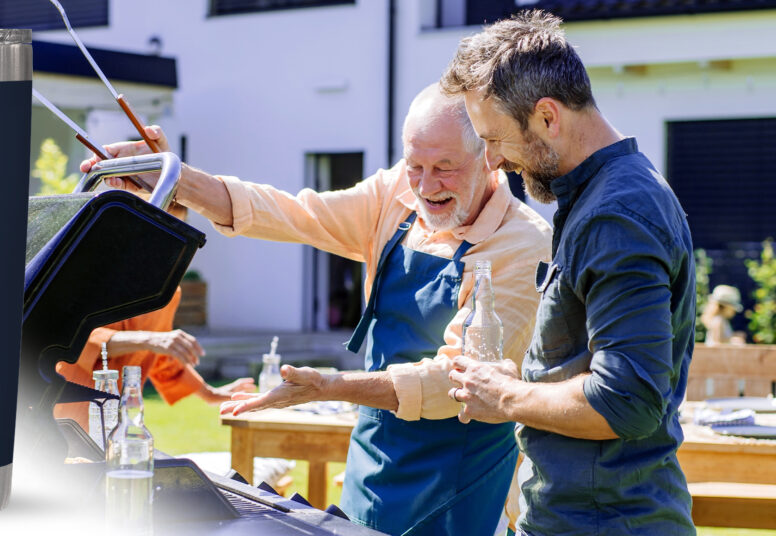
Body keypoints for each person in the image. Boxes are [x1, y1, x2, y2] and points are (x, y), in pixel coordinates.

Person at [81, 85, 551, 535]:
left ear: (491, 156)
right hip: (375, 453)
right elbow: (295, 214)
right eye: (415, 166)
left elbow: (457, 382)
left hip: (459, 477)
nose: (426, 187)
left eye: (445, 168)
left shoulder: (523, 244)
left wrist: (333, 386)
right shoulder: (396, 196)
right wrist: (178, 178)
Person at [440, 10, 697, 535]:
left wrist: (507, 398)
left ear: (547, 117)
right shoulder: (597, 196)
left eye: (494, 139)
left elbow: (626, 400)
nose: (491, 161)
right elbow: (592, 368)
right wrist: (529, 383)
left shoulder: (615, 215)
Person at [53, 205, 255, 432]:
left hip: (120, 417)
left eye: (177, 232)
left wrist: (210, 393)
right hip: (68, 410)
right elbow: (75, 339)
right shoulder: (96, 273)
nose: (167, 242)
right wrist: (150, 340)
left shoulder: (168, 291)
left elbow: (162, 354)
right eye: (160, 229)